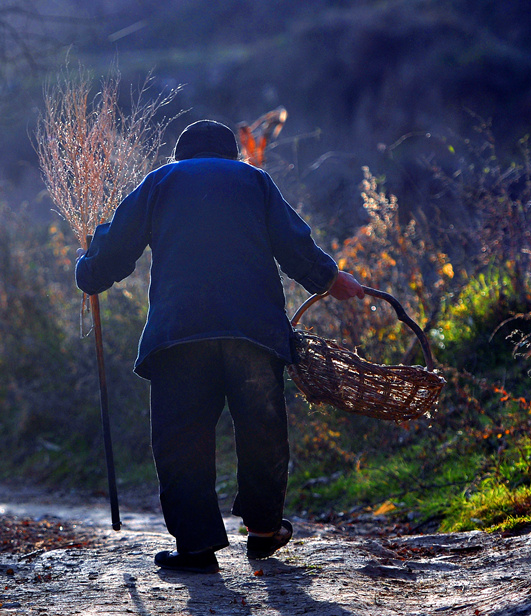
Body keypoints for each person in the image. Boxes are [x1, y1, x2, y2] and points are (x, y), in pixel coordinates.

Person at [75, 119, 364, 573]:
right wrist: (330, 279)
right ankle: (265, 531)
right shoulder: (254, 180)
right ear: (232, 155)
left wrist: (89, 273)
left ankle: (196, 547)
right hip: (253, 331)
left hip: (180, 333)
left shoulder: (161, 181)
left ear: (180, 155)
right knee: (261, 430)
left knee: (182, 437)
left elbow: (115, 247)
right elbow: (294, 246)